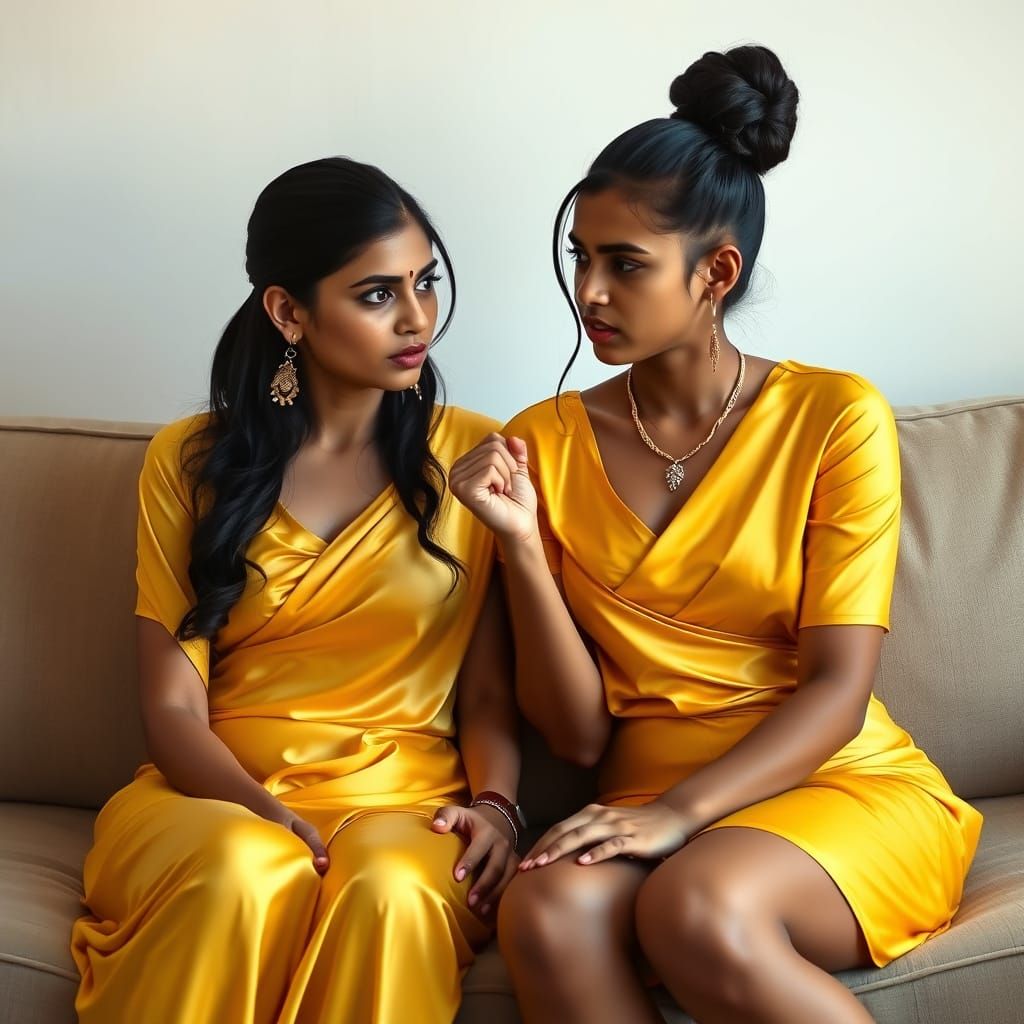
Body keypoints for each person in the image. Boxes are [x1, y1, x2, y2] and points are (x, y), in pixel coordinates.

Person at [450, 45, 981, 1024]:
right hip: (638, 795)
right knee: (545, 909)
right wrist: (522, 546)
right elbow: (572, 732)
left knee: (692, 904)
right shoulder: (538, 443)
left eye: (624, 264)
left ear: (715, 273)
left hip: (830, 785)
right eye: (580, 256)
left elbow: (836, 687)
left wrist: (677, 817)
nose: (590, 292)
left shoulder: (834, 415)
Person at [71, 157, 521, 1024]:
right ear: (289, 311)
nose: (418, 316)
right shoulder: (192, 462)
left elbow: (490, 690)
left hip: (406, 803)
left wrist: (499, 809)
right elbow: (171, 707)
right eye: (377, 294)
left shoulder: (477, 456)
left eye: (424, 282)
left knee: (389, 891)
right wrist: (266, 815)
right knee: (248, 868)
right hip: (212, 791)